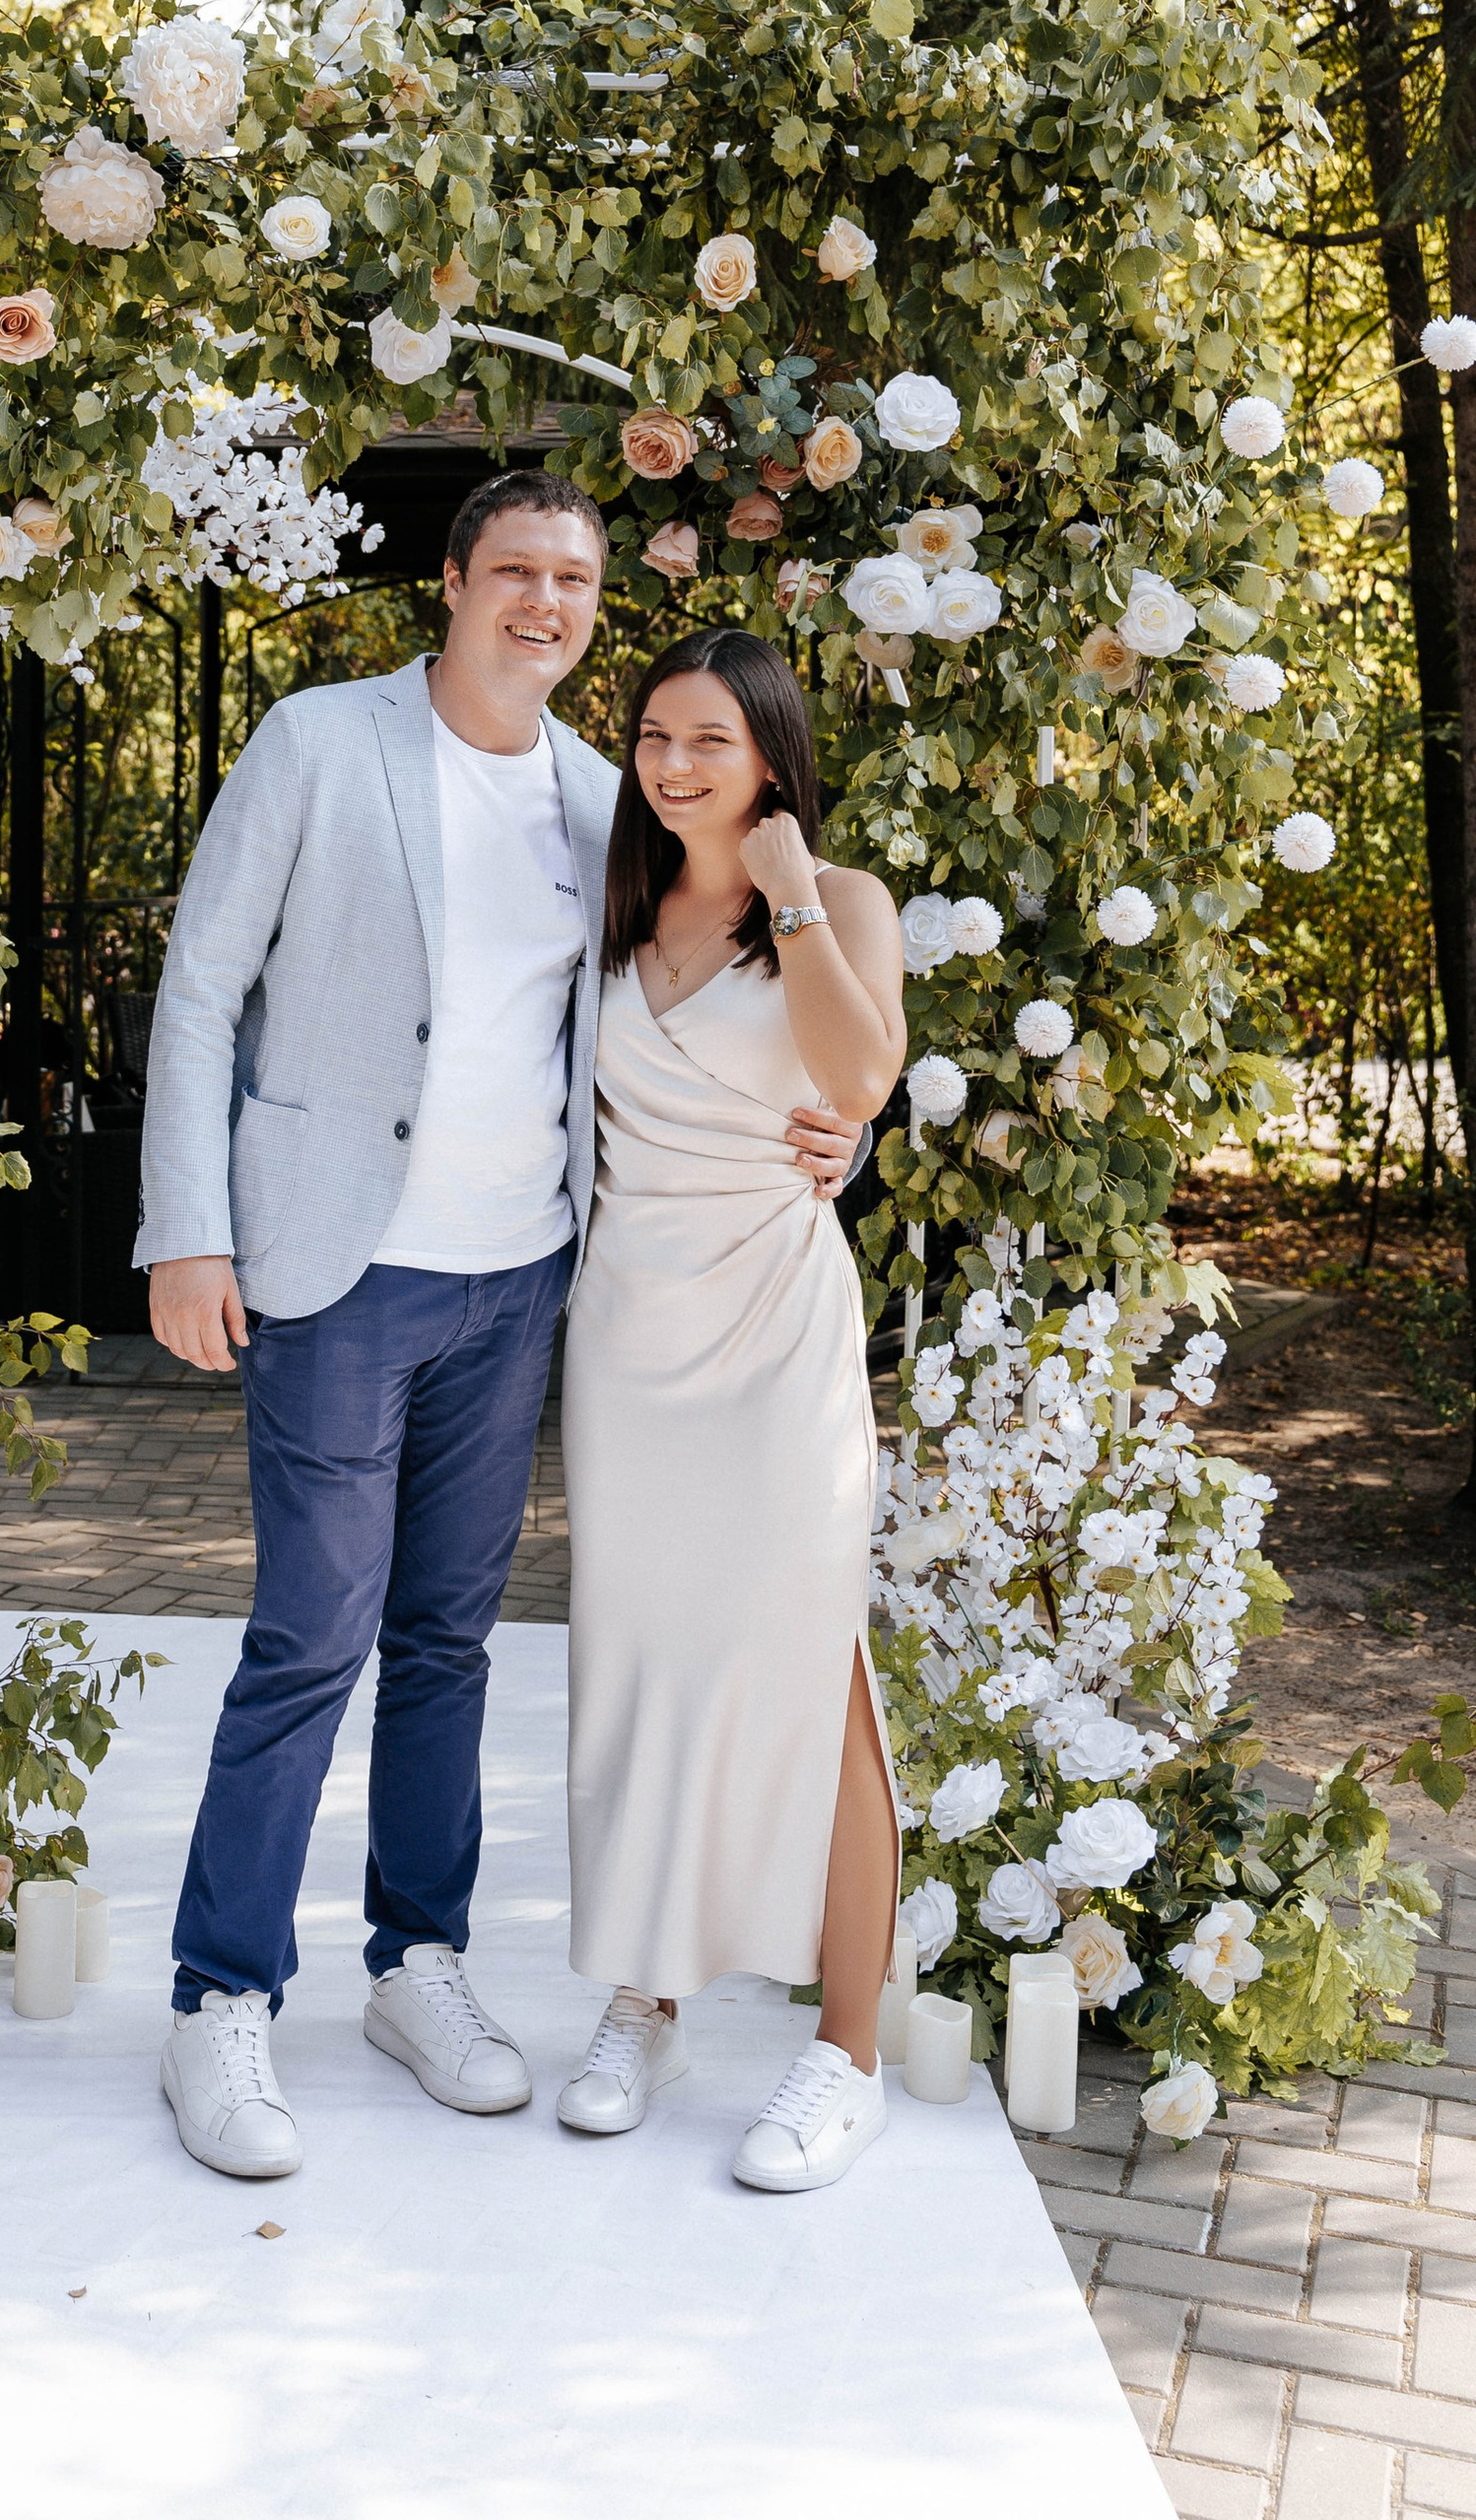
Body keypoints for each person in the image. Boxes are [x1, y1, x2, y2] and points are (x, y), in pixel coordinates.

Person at [136, 476, 863, 2182]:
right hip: (332, 1269)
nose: (546, 600)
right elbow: (198, 986)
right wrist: (186, 1229)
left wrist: (845, 1129)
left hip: (525, 1275)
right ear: (455, 582)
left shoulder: (611, 802)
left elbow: (735, 1002)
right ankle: (219, 1997)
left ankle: (417, 1961)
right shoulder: (320, 744)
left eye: (576, 579)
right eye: (517, 570)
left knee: (450, 1642)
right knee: (313, 1632)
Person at [557, 624, 907, 2191]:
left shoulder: (843, 906)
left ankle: (847, 2053)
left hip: (777, 1346)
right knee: (647, 1675)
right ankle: (654, 1990)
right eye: (652, 737)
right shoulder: (613, 902)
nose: (675, 764)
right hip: (630, 1346)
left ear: (771, 756)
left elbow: (859, 1079)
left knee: (811, 1677)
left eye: (709, 739)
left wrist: (795, 895)